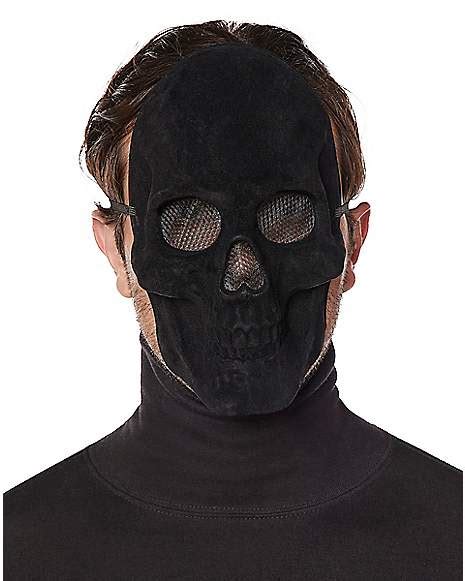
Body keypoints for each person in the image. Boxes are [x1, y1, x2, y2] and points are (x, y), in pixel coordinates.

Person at [4, 20, 462, 580]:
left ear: (352, 242)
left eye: (288, 215)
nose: (243, 276)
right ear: (115, 250)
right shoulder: (18, 550)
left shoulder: (454, 536)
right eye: (187, 222)